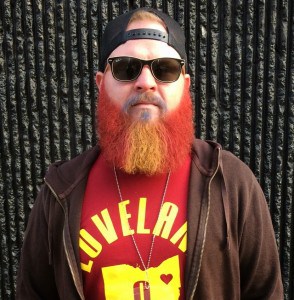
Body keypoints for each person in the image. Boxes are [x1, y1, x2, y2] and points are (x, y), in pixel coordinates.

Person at [16, 7, 283, 300]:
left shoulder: (231, 182)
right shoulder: (61, 191)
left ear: (185, 84)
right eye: (126, 68)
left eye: (165, 68)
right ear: (102, 83)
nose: (146, 81)